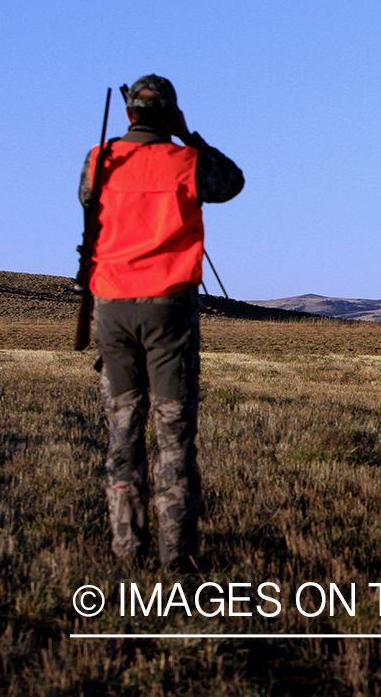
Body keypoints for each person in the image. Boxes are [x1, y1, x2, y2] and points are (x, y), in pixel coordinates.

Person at [79, 74, 244, 570]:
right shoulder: (187, 162)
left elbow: (88, 203)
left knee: (122, 429)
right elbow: (231, 182)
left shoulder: (100, 160)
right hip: (168, 308)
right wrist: (188, 134)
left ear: (129, 113)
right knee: (174, 433)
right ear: (170, 113)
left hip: (112, 307)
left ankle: (126, 549)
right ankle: (178, 558)